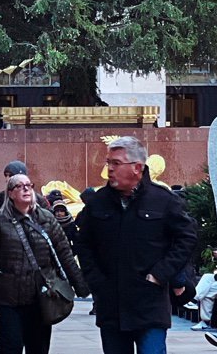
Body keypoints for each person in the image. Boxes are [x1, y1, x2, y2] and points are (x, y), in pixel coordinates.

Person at [74, 136, 198, 354]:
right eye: (108, 162)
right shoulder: (98, 203)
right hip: (112, 305)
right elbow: (83, 244)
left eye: (116, 163)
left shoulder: (163, 200)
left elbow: (187, 238)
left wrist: (161, 273)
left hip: (150, 304)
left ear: (137, 168)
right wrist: (96, 281)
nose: (109, 169)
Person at [0, 172, 91, 354]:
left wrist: (81, 285)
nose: (26, 189)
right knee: (11, 346)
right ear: (10, 193)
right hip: (6, 296)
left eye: (29, 185)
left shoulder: (46, 218)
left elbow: (64, 253)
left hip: (40, 296)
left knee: (38, 348)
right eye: (19, 186)